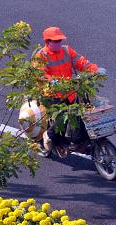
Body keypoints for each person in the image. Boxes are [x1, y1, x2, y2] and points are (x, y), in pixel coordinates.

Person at [34, 26, 106, 156]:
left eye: (59, 40)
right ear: (47, 41)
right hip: (51, 94)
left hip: (69, 91)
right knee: (62, 116)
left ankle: (81, 140)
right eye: (55, 41)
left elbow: (81, 62)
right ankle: (48, 135)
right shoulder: (41, 56)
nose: (58, 43)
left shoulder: (67, 51)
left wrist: (95, 70)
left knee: (84, 111)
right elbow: (40, 74)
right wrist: (52, 81)